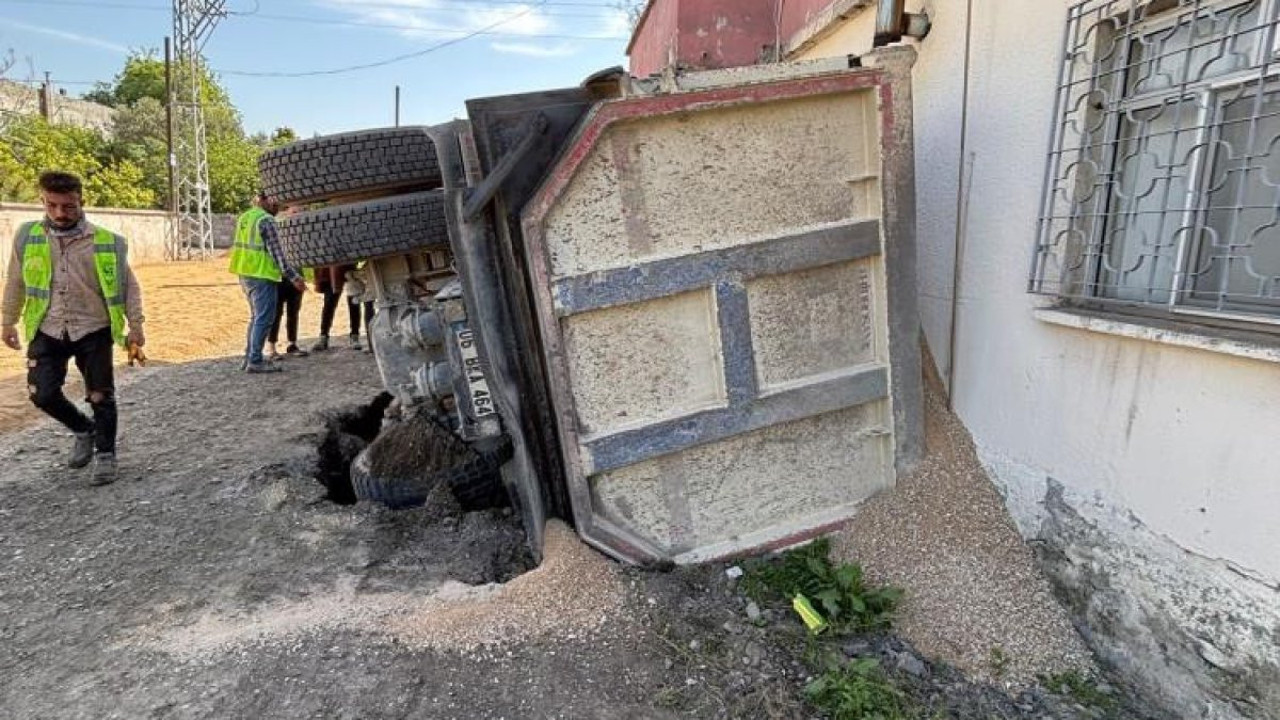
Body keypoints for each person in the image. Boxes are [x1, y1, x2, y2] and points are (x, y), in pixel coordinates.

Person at [1, 170, 146, 485]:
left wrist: (136, 325)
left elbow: (128, 286)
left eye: (68, 206)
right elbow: (15, 281)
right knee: (42, 394)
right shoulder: (27, 237)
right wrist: (7, 321)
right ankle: (83, 429)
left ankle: (105, 455)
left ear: (81, 202)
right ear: (42, 201)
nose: (60, 213)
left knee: (100, 396)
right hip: (47, 327)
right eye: (51, 205)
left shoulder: (107, 242)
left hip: (93, 328)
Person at [229, 192, 306, 373]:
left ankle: (249, 358)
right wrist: (294, 277)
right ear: (266, 200)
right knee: (264, 319)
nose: (278, 206)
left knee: (256, 317)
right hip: (261, 274)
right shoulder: (266, 220)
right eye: (276, 202)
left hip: (245, 273)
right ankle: (255, 361)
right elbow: (278, 254)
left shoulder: (246, 217)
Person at [310, 263, 373, 352]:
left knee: (353, 303)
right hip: (329, 268)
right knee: (329, 304)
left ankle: (354, 336)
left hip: (347, 265)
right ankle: (323, 337)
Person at [265, 268, 308, 360]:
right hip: (277, 277)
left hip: (295, 275)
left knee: (293, 312)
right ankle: (272, 347)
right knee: (276, 314)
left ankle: (292, 344)